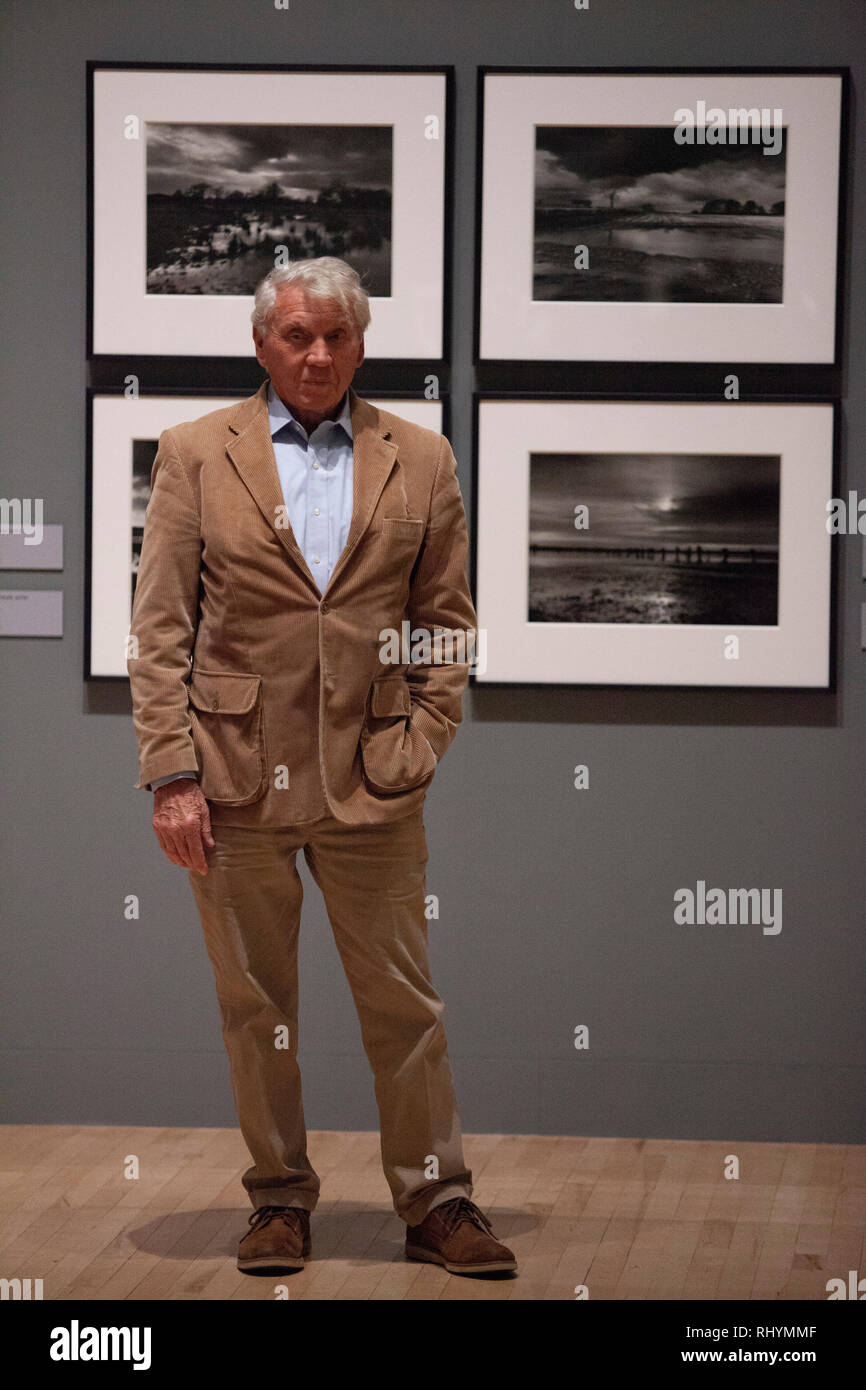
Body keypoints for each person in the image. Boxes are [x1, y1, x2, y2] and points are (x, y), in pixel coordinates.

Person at [128, 256, 516, 1278]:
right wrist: (171, 774)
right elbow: (160, 628)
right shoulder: (193, 453)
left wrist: (420, 742)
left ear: (361, 342)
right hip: (233, 779)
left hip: (372, 781)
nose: (316, 353)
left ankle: (435, 1201)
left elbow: (444, 626)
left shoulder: (420, 458)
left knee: (404, 1005)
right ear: (262, 344)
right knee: (256, 1007)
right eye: (296, 335)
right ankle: (277, 1200)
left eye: (335, 334)